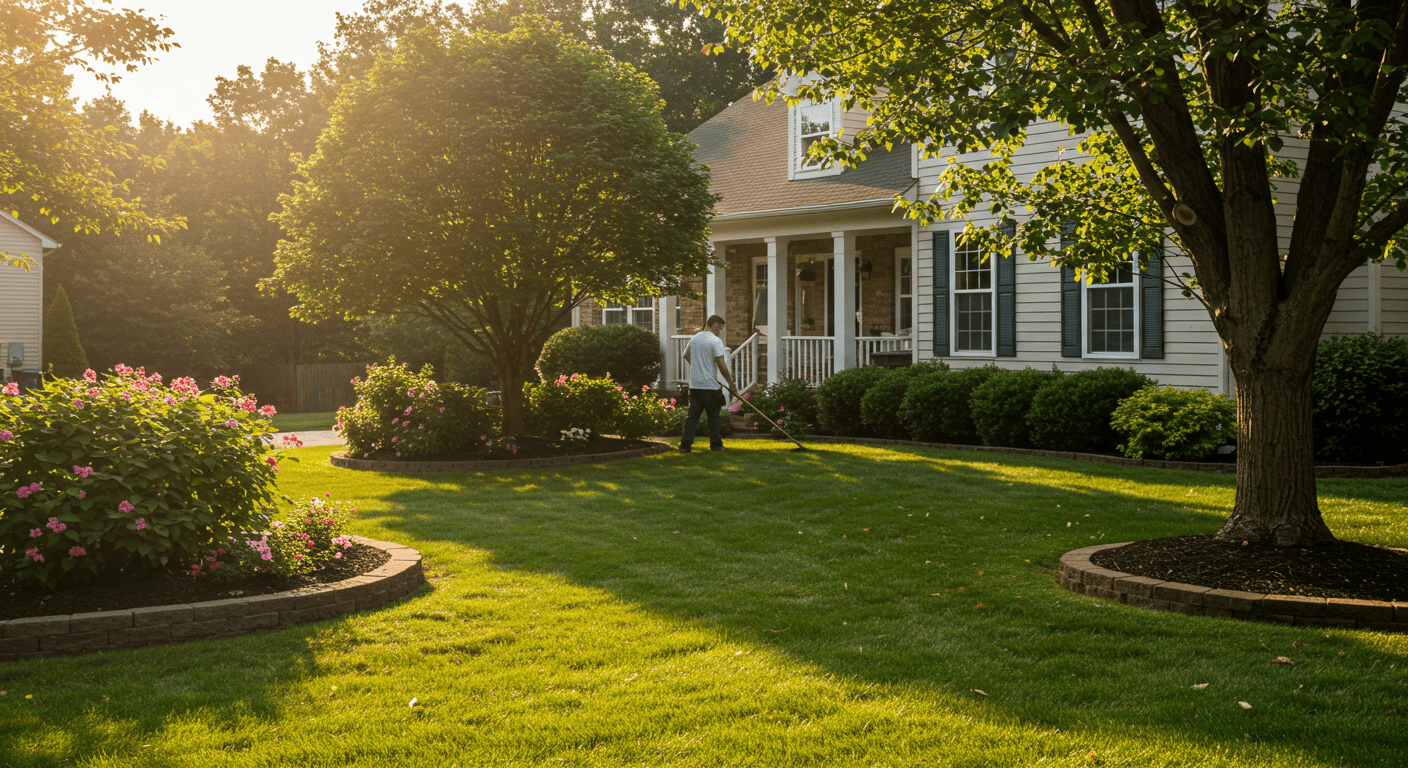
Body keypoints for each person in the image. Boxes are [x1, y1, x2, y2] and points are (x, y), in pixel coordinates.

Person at [679, 315, 739, 453]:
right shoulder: (715, 340)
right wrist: (731, 384)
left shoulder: (695, 338)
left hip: (695, 385)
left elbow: (686, 355)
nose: (720, 331)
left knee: (692, 417)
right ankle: (716, 445)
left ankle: (685, 446)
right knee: (713, 417)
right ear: (715, 325)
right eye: (720, 328)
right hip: (710, 387)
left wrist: (699, 368)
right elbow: (721, 364)